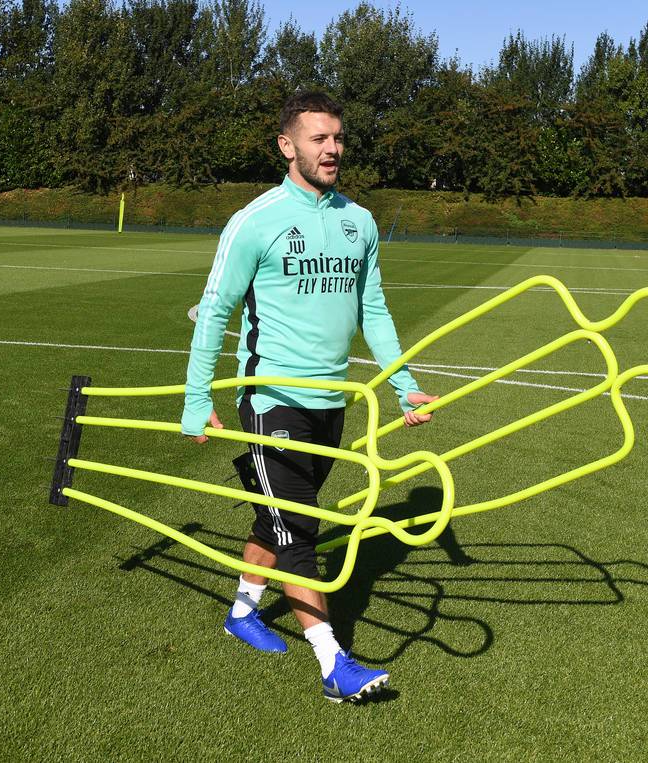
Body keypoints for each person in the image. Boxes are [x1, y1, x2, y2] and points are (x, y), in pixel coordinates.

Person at [181, 91, 436, 703]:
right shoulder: (255, 221)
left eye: (338, 138)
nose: (332, 149)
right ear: (286, 145)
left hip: (334, 402)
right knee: (299, 527)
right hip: (271, 399)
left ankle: (243, 611)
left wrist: (405, 385)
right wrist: (196, 398)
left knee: (280, 516)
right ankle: (334, 664)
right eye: (319, 139)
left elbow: (371, 310)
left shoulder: (360, 221)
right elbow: (214, 313)